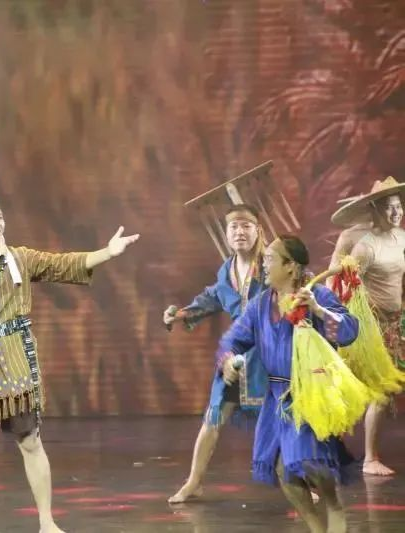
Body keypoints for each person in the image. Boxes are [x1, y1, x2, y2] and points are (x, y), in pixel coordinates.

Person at [0, 193, 139, 533]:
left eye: (0, 217)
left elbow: (63, 264)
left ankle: (47, 522)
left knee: (30, 441)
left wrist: (107, 252)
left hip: (15, 358)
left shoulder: (20, 257)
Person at [218, 235, 358, 533]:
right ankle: (316, 528)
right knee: (284, 470)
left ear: (291, 267)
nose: (263, 264)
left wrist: (318, 310)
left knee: (311, 464)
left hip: (310, 392)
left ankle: (334, 505)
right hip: (277, 397)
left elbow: (349, 332)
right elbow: (234, 339)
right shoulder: (260, 304)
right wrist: (228, 359)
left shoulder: (317, 295)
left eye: (270, 258)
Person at [165, 204, 266, 503]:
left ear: (258, 230)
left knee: (282, 421)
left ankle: (302, 483)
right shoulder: (227, 270)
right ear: (226, 234)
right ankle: (193, 482)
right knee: (213, 418)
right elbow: (212, 297)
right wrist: (180, 314)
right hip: (235, 354)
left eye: (246, 225)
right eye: (234, 226)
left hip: (268, 354)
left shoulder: (270, 264)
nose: (239, 232)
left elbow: (297, 281)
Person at [330, 177, 405, 476]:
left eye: (399, 206)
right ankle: (369, 458)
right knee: (379, 390)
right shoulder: (365, 246)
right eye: (389, 207)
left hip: (396, 323)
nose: (396, 212)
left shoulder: (401, 237)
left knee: (385, 391)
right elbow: (342, 285)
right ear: (375, 209)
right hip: (371, 327)